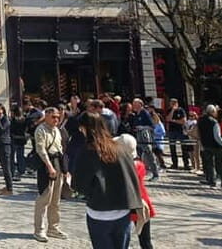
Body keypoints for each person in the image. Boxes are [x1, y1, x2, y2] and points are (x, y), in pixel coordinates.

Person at [73, 112, 142, 249]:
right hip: (123, 209)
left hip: (99, 211)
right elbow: (132, 176)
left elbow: (79, 185)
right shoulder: (121, 148)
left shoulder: (88, 151)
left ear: (84, 128)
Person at [115, 134, 156, 249]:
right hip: (140, 202)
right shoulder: (139, 164)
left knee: (138, 239)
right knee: (144, 239)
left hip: (133, 203)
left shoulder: (130, 166)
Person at [33, 106, 66, 243]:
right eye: (53, 117)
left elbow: (60, 149)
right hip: (46, 166)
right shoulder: (41, 130)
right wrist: (50, 166)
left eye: (58, 117)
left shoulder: (57, 130)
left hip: (58, 164)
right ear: (46, 116)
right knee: (44, 198)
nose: (56, 119)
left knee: (56, 200)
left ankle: (53, 227)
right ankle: (39, 230)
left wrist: (64, 169)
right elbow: (41, 150)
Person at [199, 104, 222, 188]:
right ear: (212, 112)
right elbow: (217, 136)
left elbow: (199, 133)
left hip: (206, 145)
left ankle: (211, 180)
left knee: (209, 164)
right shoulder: (214, 122)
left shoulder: (201, 120)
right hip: (216, 146)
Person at [165, 98, 190, 170]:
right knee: (172, 148)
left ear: (177, 103)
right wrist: (172, 110)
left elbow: (183, 121)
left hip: (180, 131)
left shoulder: (181, 110)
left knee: (184, 148)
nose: (172, 104)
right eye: (171, 103)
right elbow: (168, 119)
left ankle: (186, 164)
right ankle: (174, 164)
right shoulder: (169, 111)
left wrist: (174, 120)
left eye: (173, 103)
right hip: (172, 131)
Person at [10, 105, 27, 180]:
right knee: (20, 156)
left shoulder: (13, 120)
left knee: (12, 156)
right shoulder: (24, 119)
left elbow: (11, 129)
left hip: (14, 139)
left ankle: (12, 171)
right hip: (22, 139)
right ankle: (21, 170)